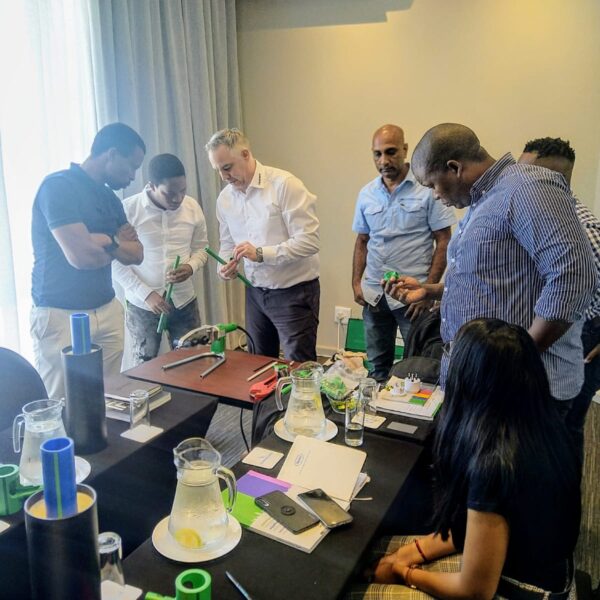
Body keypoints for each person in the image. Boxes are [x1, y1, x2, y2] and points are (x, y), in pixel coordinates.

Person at [349, 319, 580, 600]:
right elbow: (466, 529)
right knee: (375, 552)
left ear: (470, 378)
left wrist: (403, 573)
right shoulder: (539, 427)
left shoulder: (495, 463)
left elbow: (475, 591)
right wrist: (409, 554)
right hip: (535, 571)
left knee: (354, 588)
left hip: (522, 590)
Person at [384, 123, 597, 413]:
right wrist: (430, 291)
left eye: (432, 184)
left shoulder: (526, 187)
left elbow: (573, 276)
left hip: (518, 389)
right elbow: (493, 281)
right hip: (482, 380)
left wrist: (518, 358)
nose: (434, 195)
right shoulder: (484, 199)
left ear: (454, 168)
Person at [31, 123, 145, 399]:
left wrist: (106, 240)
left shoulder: (109, 198)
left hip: (106, 309)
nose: (132, 176)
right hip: (60, 313)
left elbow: (137, 254)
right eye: (131, 166)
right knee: (61, 402)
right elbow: (81, 257)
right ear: (112, 154)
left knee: (105, 400)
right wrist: (115, 243)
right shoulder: (58, 187)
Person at [205, 128, 320, 362]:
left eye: (227, 167)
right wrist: (225, 266)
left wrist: (260, 254)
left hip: (293, 291)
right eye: (218, 170)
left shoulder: (285, 185)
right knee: (257, 363)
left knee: (299, 366)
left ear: (246, 154)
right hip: (255, 292)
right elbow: (227, 243)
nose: (224, 176)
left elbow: (309, 241)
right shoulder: (224, 199)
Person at [518, 137, 600, 463]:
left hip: (584, 340)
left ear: (553, 180)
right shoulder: (534, 218)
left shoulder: (583, 228)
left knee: (564, 435)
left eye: (525, 175)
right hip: (547, 341)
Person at [353, 125, 455, 381]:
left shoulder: (427, 189)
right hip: (375, 295)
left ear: (405, 149)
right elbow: (362, 240)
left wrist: (427, 291)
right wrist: (356, 282)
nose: (383, 161)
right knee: (377, 366)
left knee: (417, 368)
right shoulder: (366, 194)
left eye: (391, 152)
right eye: (377, 154)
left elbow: (443, 240)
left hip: (412, 299)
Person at [113, 153, 208, 364]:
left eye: (183, 191)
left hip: (184, 299)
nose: (178, 199)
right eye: (170, 193)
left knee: (194, 361)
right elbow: (115, 263)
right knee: (144, 365)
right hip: (142, 303)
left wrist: (191, 267)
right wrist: (146, 294)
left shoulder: (192, 207)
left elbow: (202, 249)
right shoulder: (128, 210)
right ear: (152, 185)